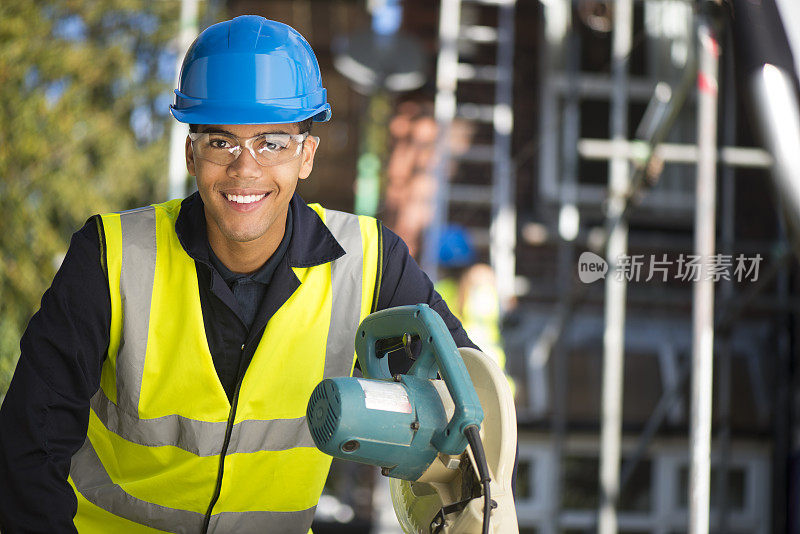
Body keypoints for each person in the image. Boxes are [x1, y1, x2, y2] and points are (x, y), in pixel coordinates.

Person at [0, 16, 475, 534]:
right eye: (221, 141)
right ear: (191, 154)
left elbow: (468, 401)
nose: (245, 169)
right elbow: (29, 447)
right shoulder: (110, 257)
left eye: (271, 141)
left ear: (306, 155)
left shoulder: (372, 263)